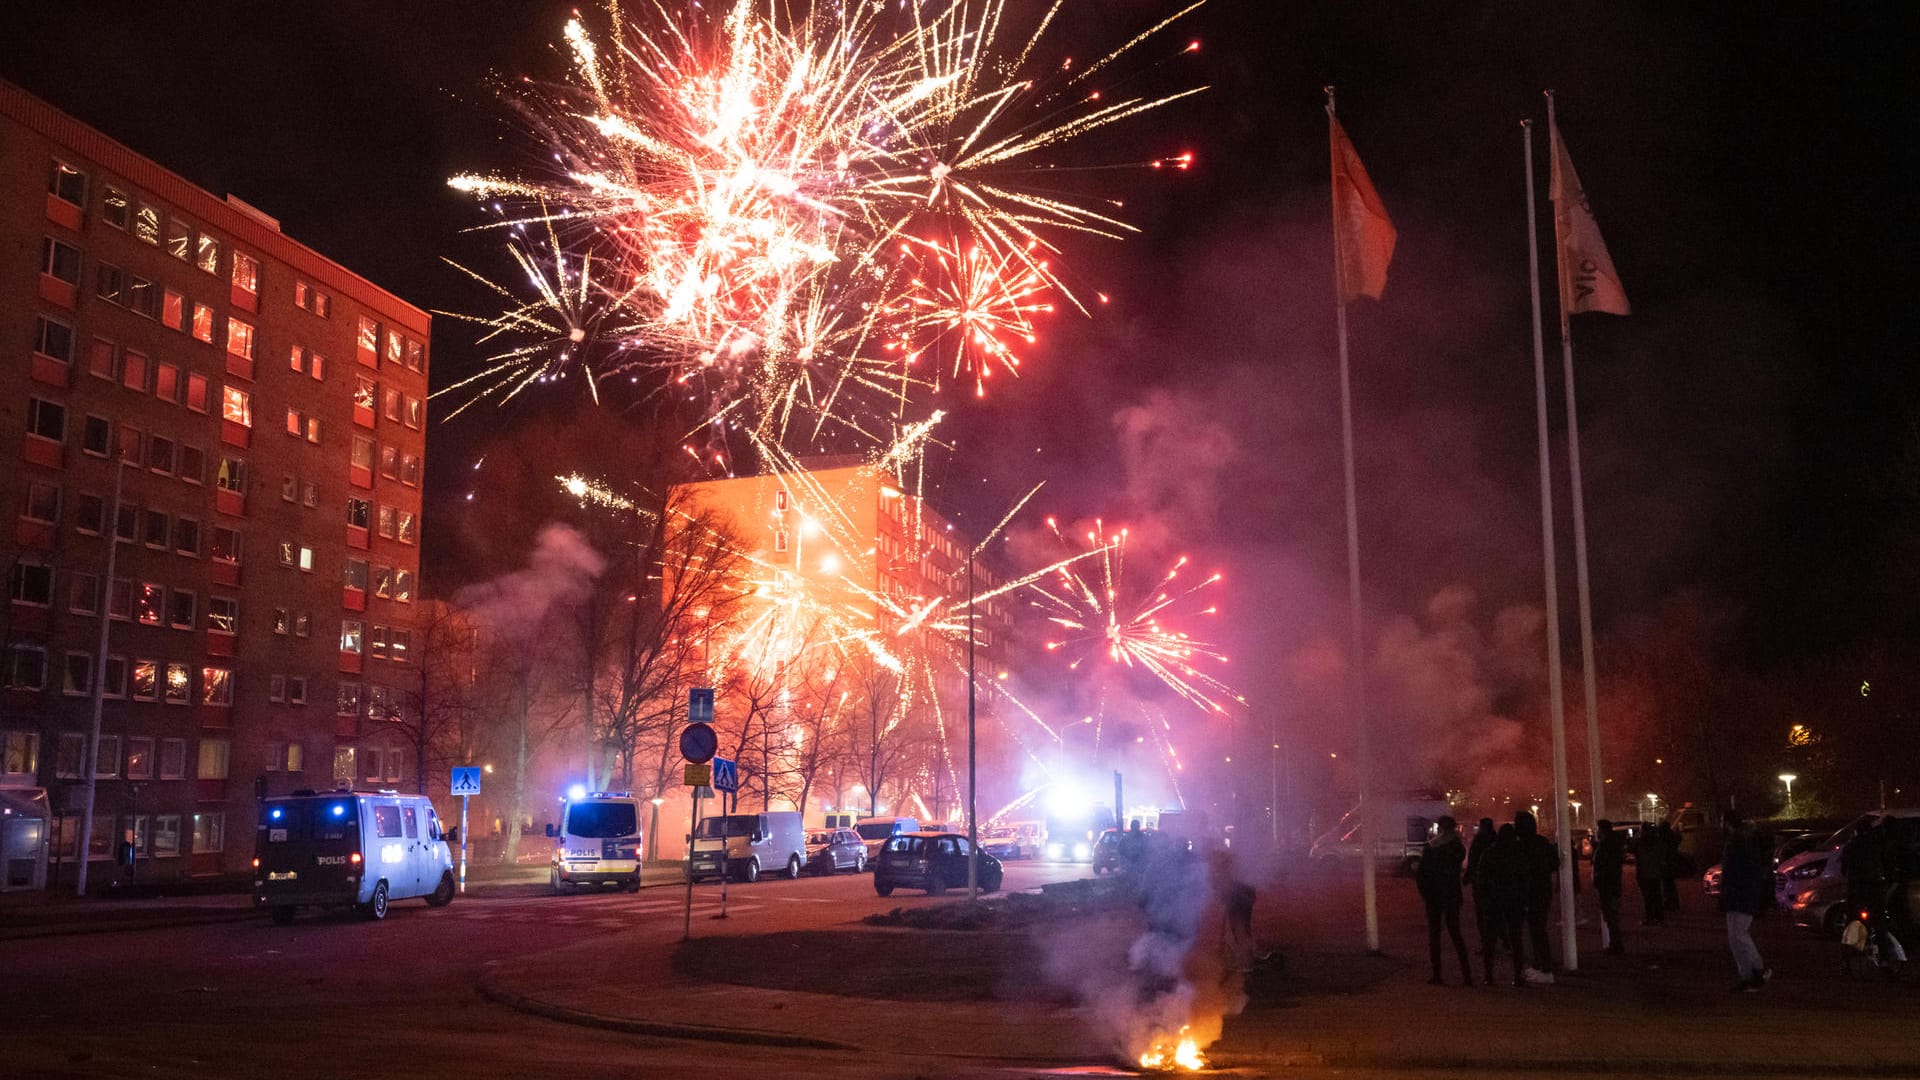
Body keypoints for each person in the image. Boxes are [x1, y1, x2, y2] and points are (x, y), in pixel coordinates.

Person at [1416, 816, 1474, 985]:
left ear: (1440, 828)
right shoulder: (1457, 847)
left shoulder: (1431, 848)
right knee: (1455, 933)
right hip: (1451, 894)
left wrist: (1425, 893)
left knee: (1434, 935)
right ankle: (1466, 975)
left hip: (1434, 896)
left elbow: (1422, 875)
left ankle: (1437, 974)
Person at [1720, 810, 1772, 991]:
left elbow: (1741, 871)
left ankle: (1758, 970)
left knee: (1738, 935)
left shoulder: (1740, 844)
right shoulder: (1740, 842)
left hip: (1742, 894)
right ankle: (1748, 975)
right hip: (1739, 894)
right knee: (1735, 937)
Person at [1481, 823, 1529, 987]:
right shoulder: (1519, 854)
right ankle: (1517, 976)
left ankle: (1489, 976)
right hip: (1514, 901)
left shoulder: (1490, 853)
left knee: (1490, 940)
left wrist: (1484, 899)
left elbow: (1482, 879)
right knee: (1516, 940)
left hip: (1494, 901)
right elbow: (1525, 879)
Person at [1514, 810, 1557, 980]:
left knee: (1536, 931)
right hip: (1543, 891)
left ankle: (1545, 969)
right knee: (1537, 930)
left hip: (1530, 892)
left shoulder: (1521, 846)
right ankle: (1540, 965)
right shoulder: (1542, 842)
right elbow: (1555, 863)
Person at [1463, 818, 1498, 963]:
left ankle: (1486, 943)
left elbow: (1473, 860)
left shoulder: (1479, 841)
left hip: (1482, 883)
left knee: (1482, 915)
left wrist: (1467, 877)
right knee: (1496, 914)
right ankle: (1503, 942)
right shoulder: (1496, 840)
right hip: (1497, 884)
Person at [1592, 819, 1627, 955]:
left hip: (1608, 886)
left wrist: (1599, 878)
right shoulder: (1610, 844)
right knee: (1611, 916)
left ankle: (1617, 946)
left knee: (1611, 916)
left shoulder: (1607, 846)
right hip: (1610, 885)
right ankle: (1615, 944)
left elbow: (1606, 866)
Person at [1635, 822, 1668, 926]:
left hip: (1645, 873)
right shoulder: (1658, 842)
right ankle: (1659, 918)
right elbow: (1662, 855)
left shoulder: (1640, 843)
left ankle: (1650, 918)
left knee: (1648, 898)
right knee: (1657, 896)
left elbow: (1636, 853)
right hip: (1655, 873)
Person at [1659, 823, 1683, 913]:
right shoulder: (1672, 838)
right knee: (1670, 885)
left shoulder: (1665, 839)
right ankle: (1673, 903)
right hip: (1671, 863)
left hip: (1666, 864)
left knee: (1667, 885)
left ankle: (1669, 903)